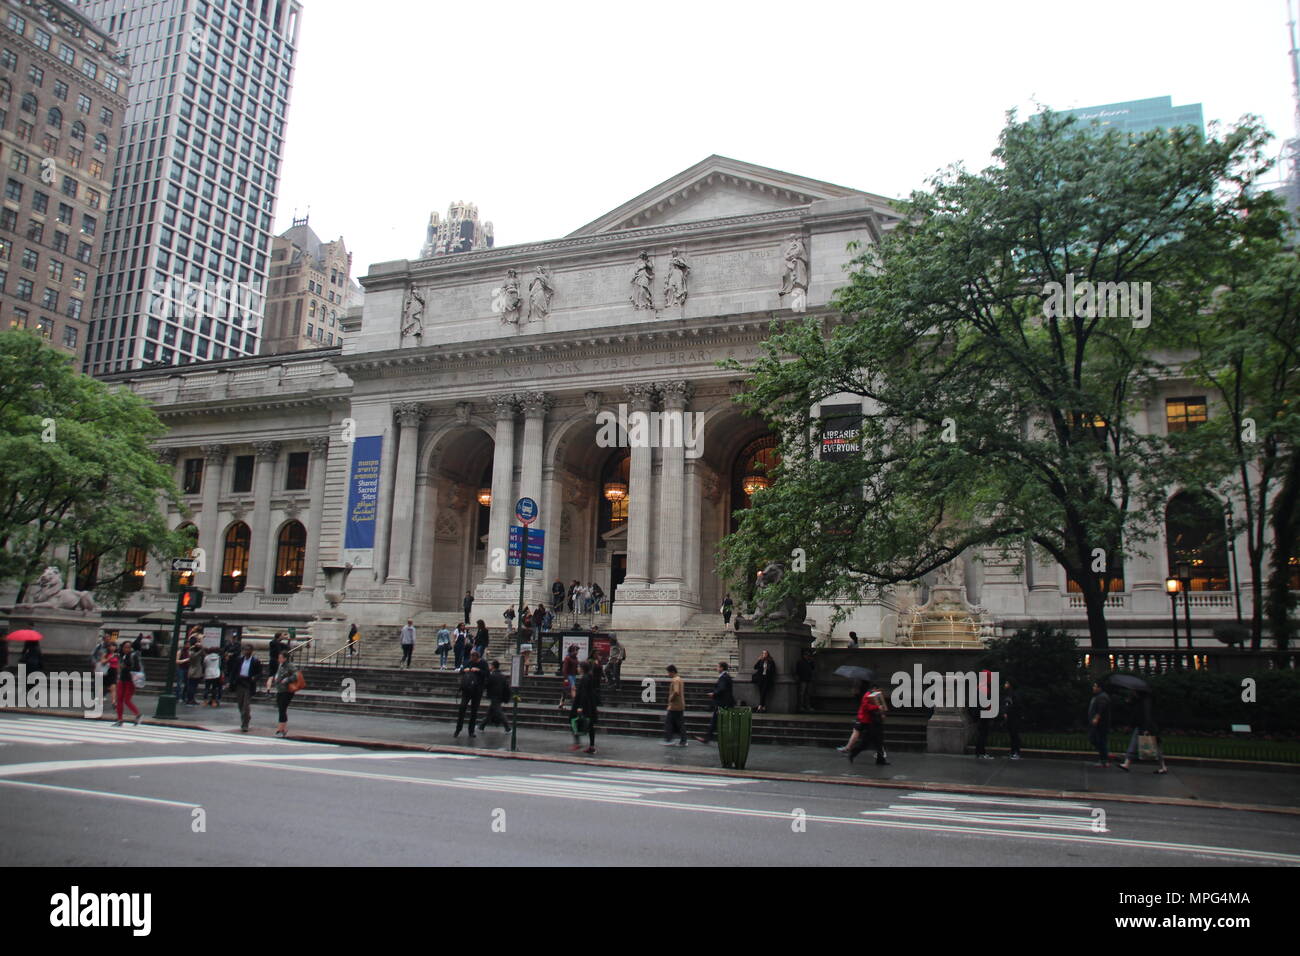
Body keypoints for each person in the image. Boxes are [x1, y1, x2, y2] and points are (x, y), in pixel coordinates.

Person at [1119, 690, 1168, 774]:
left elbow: (1146, 715)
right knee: (1134, 745)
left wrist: (1146, 729)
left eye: (1134, 691)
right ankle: (1126, 763)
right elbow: (1136, 713)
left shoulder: (1146, 701)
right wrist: (1129, 702)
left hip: (1147, 727)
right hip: (1142, 726)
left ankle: (1163, 767)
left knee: (1156, 747)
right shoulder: (1141, 700)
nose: (1133, 692)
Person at [847, 682, 889, 765]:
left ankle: (880, 760)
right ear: (874, 688)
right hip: (871, 723)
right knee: (866, 743)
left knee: (879, 742)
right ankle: (853, 753)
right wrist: (878, 707)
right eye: (877, 689)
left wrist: (881, 712)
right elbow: (866, 707)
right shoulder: (868, 696)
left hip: (875, 721)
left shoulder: (874, 696)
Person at [695, 661, 735, 744]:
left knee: (716, 721)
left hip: (723, 703)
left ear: (722, 668)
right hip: (724, 703)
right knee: (717, 721)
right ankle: (708, 738)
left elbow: (722, 688)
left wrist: (714, 693)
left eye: (718, 667)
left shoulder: (724, 677)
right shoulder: (725, 676)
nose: (717, 668)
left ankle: (708, 738)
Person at [266, 651, 301, 738]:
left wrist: (287, 680)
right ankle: (283, 728)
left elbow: (296, 675)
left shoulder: (289, 666)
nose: (279, 659)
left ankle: (280, 729)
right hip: (280, 690)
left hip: (287, 691)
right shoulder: (280, 665)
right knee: (281, 709)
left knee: (282, 709)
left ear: (285, 658)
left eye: (280, 657)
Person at [454, 650, 486, 739]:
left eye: (475, 659)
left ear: (478, 658)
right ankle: (458, 729)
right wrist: (465, 669)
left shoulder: (483, 663)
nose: (473, 660)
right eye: (472, 658)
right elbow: (461, 670)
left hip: (477, 690)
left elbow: (486, 674)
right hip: (467, 689)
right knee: (462, 708)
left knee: (474, 711)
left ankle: (471, 731)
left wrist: (478, 670)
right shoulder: (469, 662)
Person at [570, 660, 600, 754]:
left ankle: (578, 741)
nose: (577, 668)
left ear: (582, 669)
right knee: (590, 725)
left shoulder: (585, 678)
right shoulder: (589, 677)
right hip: (590, 704)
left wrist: (580, 706)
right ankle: (591, 746)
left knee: (573, 720)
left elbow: (583, 694)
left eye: (579, 667)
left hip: (585, 705)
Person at [232, 644, 263, 733]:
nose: (246, 652)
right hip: (239, 682)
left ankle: (245, 724)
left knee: (246, 705)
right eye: (245, 650)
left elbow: (260, 673)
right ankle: (246, 716)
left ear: (251, 651)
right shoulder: (239, 660)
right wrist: (231, 682)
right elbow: (234, 671)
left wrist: (254, 678)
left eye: (248, 650)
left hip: (249, 683)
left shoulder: (255, 661)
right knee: (240, 704)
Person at [113, 640, 142, 726]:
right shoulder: (123, 656)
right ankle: (120, 719)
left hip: (130, 680)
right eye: (125, 647)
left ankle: (138, 714)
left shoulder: (133, 656)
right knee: (120, 700)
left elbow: (137, 668)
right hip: (122, 679)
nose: (126, 649)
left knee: (127, 700)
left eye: (128, 647)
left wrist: (125, 667)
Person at [480, 659, 512, 733]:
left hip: (494, 696)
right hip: (500, 696)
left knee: (499, 712)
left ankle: (508, 728)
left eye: (491, 665)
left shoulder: (492, 676)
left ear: (493, 666)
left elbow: (486, 685)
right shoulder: (502, 676)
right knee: (490, 712)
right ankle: (481, 726)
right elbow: (506, 687)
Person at [971, 669, 996, 760]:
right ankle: (981, 752)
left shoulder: (980, 687)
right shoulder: (984, 688)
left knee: (981, 734)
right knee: (983, 734)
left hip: (981, 714)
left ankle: (979, 752)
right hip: (984, 715)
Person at [1087, 681, 1112, 768]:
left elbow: (1101, 709)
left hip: (1101, 724)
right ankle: (1104, 757)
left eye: (1095, 686)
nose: (1093, 688)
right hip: (1098, 724)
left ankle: (1104, 759)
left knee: (1100, 741)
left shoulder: (1102, 697)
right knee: (1096, 740)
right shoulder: (1098, 696)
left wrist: (1096, 718)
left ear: (1099, 688)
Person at [662, 664, 687, 746]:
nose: (668, 674)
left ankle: (669, 739)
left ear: (672, 672)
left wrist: (670, 698)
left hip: (674, 706)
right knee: (679, 723)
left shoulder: (675, 680)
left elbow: (676, 692)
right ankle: (682, 740)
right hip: (680, 705)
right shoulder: (680, 679)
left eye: (668, 672)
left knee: (668, 722)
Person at [1002, 679, 1022, 759]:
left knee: (1015, 735)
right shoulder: (1009, 693)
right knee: (1012, 735)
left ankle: (1016, 752)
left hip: (1014, 717)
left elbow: (1015, 706)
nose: (1005, 684)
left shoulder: (1014, 694)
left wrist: (1008, 712)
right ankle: (1013, 752)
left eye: (1006, 683)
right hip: (1011, 717)